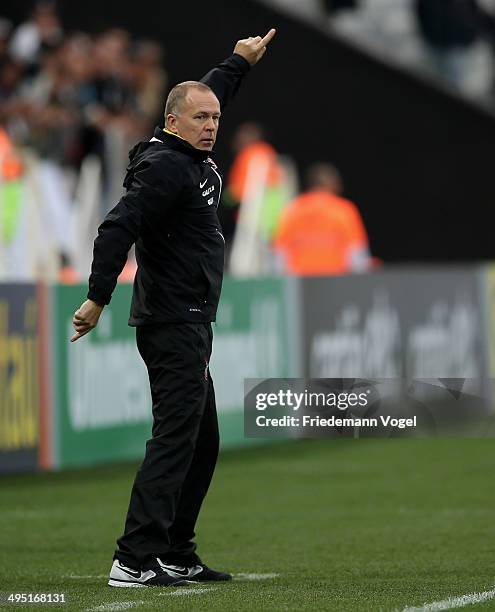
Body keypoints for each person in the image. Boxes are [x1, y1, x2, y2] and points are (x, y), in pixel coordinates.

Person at [71, 30, 276, 588]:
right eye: (201, 118)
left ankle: (177, 551)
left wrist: (239, 61)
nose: (212, 124)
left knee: (200, 440)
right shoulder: (165, 167)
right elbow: (118, 226)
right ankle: (134, 557)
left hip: (191, 321)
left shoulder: (186, 148)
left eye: (215, 117)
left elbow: (208, 91)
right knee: (174, 438)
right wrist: (97, 295)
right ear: (172, 122)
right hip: (171, 322)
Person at [274, 162, 371, 276]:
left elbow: (279, 255)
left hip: (301, 283)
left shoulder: (292, 210)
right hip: (336, 280)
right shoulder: (343, 210)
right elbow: (356, 253)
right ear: (333, 185)